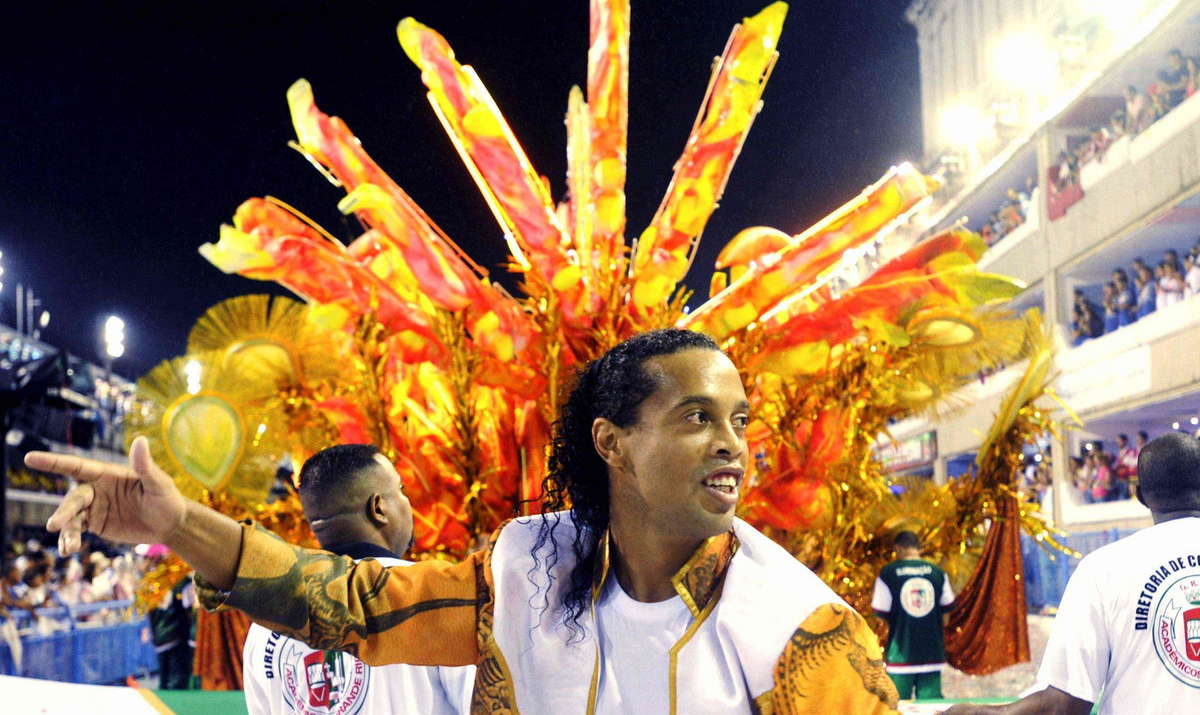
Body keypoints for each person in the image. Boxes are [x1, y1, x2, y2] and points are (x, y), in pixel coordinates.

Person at [26, 329, 900, 714]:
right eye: (697, 417)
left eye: (740, 419)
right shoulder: (528, 568)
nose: (732, 445)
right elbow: (356, 606)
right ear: (612, 442)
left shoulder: (802, 631)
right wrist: (176, 521)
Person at [943, 431, 1200, 714]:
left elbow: (1064, 704)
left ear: (1139, 495)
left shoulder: (1105, 569)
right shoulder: (1103, 570)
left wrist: (990, 713)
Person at [243, 443, 474, 715]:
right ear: (378, 508)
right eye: (400, 490)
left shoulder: (266, 625)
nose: (407, 503)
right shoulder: (434, 593)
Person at [871, 531, 955, 700]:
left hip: (900, 655)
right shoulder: (937, 573)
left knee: (897, 706)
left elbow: (880, 615)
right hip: (931, 652)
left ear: (898, 548)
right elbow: (947, 612)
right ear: (918, 548)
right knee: (932, 707)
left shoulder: (888, 574)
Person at [149, 575, 196, 689]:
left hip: (160, 636)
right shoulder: (182, 583)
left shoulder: (152, 582)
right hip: (176, 634)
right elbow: (188, 608)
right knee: (177, 678)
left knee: (164, 677)